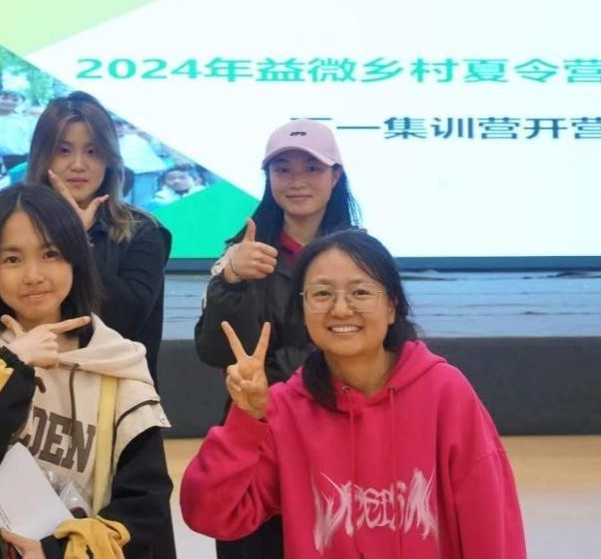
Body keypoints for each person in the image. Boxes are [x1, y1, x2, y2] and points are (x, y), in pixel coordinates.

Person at [181, 230, 526, 557]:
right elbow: (210, 515)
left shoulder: (445, 392)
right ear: (303, 311)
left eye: (360, 292)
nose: (341, 309)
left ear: (391, 306)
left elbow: (489, 522)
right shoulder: (287, 407)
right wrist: (245, 420)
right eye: (322, 294)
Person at [0, 185, 176, 559]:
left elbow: (145, 506)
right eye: (12, 259)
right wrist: (9, 366)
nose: (33, 275)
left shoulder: (119, 363)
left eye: (50, 254)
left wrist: (57, 551)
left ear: (77, 261)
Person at [191, 118, 360, 559]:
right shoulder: (242, 253)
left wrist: (278, 375)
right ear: (268, 177)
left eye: (312, 168)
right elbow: (215, 351)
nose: (296, 181)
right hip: (257, 435)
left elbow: (373, 353)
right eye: (283, 169)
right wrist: (230, 280)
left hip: (340, 436)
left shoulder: (363, 257)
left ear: (335, 176)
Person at [26, 91, 171, 382]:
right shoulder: (14, 224)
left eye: (93, 152)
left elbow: (125, 321)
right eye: (63, 151)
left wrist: (77, 240)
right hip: (30, 385)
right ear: (43, 156)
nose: (78, 164)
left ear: (110, 160)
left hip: (115, 393)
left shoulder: (142, 230)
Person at [0, 89, 34, 169]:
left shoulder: (26, 121)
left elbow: (31, 140)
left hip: (18, 159)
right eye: (4, 98)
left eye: (14, 100)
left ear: (21, 103)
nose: (9, 102)